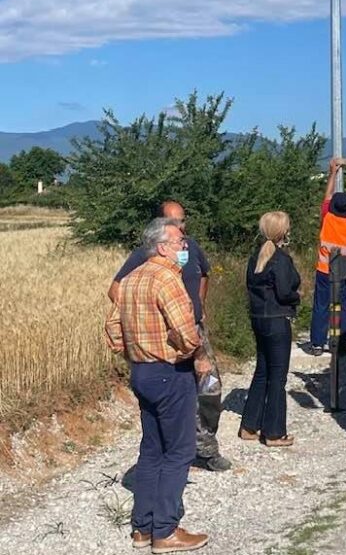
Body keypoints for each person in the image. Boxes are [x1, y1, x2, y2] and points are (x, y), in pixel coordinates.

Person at [105, 218, 209, 553]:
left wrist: (133, 353)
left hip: (142, 372)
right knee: (180, 451)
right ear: (162, 247)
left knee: (152, 450)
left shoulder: (131, 279)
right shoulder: (167, 278)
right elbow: (186, 331)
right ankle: (165, 531)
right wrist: (194, 354)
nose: (185, 246)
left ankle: (143, 528)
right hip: (170, 371)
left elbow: (113, 327)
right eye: (180, 241)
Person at [108, 201, 230, 473]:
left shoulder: (190, 247)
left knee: (210, 388)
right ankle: (179, 451)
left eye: (182, 221)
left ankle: (205, 447)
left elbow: (204, 274)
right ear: (161, 225)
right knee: (177, 394)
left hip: (194, 330)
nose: (180, 227)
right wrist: (145, 320)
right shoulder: (145, 253)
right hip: (167, 339)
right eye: (173, 222)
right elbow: (117, 289)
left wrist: (200, 304)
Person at [239, 211, 300, 447]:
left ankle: (249, 425)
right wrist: (296, 297)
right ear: (283, 231)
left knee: (262, 371)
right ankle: (274, 432)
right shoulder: (281, 259)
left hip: (258, 318)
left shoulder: (255, 257)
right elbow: (284, 292)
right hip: (277, 320)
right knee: (277, 376)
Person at [309, 158, 346, 356]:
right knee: (342, 306)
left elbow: (327, 196)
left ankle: (317, 344)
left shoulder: (327, 217)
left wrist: (333, 173)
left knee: (321, 306)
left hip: (324, 270)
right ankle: (342, 343)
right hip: (344, 271)